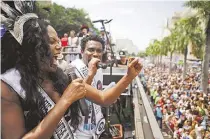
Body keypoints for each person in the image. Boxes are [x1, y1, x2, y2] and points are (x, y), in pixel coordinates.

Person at [1, 1, 142, 139]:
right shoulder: (9, 88)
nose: (59, 46)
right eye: (51, 42)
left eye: (58, 41)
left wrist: (128, 77)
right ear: (31, 48)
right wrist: (66, 100)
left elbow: (104, 98)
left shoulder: (63, 75)